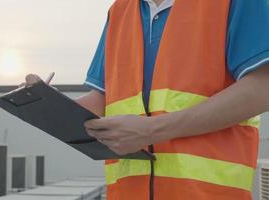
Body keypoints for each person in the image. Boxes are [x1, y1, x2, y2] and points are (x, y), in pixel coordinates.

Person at [22, 0, 269, 199]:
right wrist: (50, 106)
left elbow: (263, 87)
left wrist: (152, 130)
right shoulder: (119, 11)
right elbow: (103, 98)